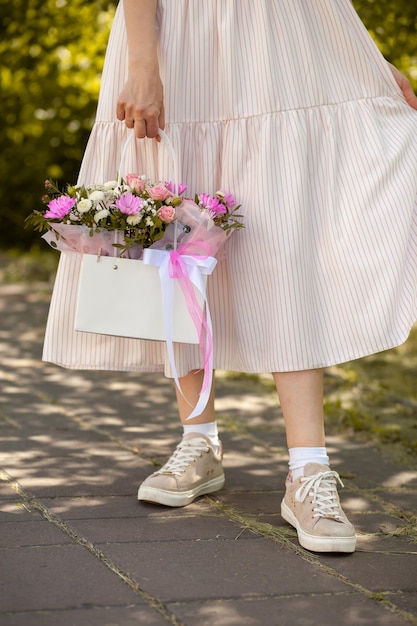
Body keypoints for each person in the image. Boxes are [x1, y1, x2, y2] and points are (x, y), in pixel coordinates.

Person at [42, 1, 417, 553]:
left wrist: (361, 56)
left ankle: (307, 471)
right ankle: (200, 441)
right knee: (172, 222)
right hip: (182, 38)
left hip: (284, 40)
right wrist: (145, 61)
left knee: (284, 242)